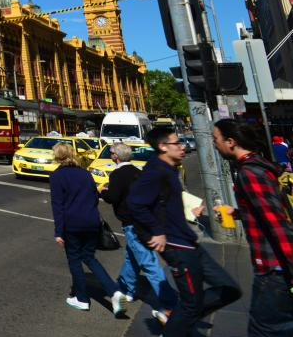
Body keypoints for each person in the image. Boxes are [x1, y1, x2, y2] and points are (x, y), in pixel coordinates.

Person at [130, 126, 241, 334]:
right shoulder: (155, 172)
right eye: (177, 143)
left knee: (230, 290)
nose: (183, 147)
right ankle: (176, 324)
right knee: (191, 304)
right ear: (163, 147)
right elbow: (135, 203)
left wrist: (190, 212)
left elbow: (165, 204)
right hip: (176, 246)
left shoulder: (170, 169)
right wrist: (157, 231)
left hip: (188, 241)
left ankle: (178, 318)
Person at [213, 119, 293, 336]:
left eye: (216, 139)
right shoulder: (259, 165)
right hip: (275, 267)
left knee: (265, 330)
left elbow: (277, 224)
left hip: (273, 268)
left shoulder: (249, 173)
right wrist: (237, 213)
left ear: (231, 142)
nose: (215, 145)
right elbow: (266, 208)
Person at [101, 142, 178, 320]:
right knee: (132, 257)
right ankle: (128, 288)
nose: (111, 155)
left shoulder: (118, 174)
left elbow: (112, 197)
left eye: (111, 152)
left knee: (149, 263)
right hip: (144, 220)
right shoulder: (138, 171)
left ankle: (170, 304)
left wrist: (102, 192)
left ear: (116, 156)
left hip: (132, 222)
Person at [50, 141, 126, 314]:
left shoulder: (57, 176)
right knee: (90, 258)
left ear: (57, 157)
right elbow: (94, 198)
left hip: (72, 224)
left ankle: (82, 298)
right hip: (91, 222)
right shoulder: (85, 174)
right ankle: (114, 291)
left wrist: (58, 232)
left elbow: (58, 206)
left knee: (75, 260)